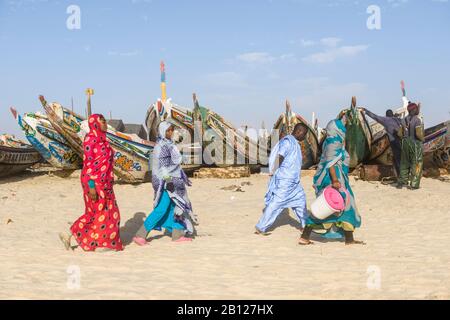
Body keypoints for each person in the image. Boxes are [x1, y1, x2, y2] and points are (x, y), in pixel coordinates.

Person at [59, 114, 123, 252]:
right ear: (95, 124)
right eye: (102, 121)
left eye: (105, 121)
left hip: (105, 182)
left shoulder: (104, 140)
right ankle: (102, 243)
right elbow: (88, 165)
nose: (105, 123)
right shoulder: (90, 140)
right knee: (99, 213)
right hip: (93, 182)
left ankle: (70, 234)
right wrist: (91, 187)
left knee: (108, 212)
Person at [299, 117, 364, 246]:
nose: (343, 129)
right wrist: (335, 181)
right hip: (334, 181)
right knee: (330, 209)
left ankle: (349, 239)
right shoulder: (333, 143)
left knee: (344, 207)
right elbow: (330, 164)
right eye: (341, 127)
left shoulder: (332, 141)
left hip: (340, 180)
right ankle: (305, 236)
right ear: (336, 129)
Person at [133, 121, 198, 245]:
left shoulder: (168, 144)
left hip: (173, 180)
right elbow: (162, 167)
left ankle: (177, 234)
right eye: (168, 130)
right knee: (162, 209)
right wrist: (168, 182)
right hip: (165, 182)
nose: (170, 132)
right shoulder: (161, 146)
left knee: (176, 206)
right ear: (163, 131)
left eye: (171, 130)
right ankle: (140, 234)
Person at [255, 123, 309, 235]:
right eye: (304, 134)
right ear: (299, 132)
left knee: (301, 201)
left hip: (294, 182)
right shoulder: (288, 142)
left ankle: (305, 226)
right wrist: (274, 171)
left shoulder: (295, 143)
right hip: (286, 181)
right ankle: (261, 227)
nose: (305, 137)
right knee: (276, 204)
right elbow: (279, 156)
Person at [362, 108, 403, 175]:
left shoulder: (385, 120)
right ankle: (404, 176)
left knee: (397, 160)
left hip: (393, 143)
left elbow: (375, 117)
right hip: (401, 142)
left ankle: (400, 177)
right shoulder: (397, 120)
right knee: (400, 159)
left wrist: (366, 111)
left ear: (386, 115)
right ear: (392, 114)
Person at [397, 102, 424, 189]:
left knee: (404, 163)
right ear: (415, 110)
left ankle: (401, 183)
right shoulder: (417, 120)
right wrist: (423, 139)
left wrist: (404, 139)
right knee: (416, 164)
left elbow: (399, 134)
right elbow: (418, 134)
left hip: (405, 143)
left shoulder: (403, 120)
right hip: (415, 143)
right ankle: (414, 184)